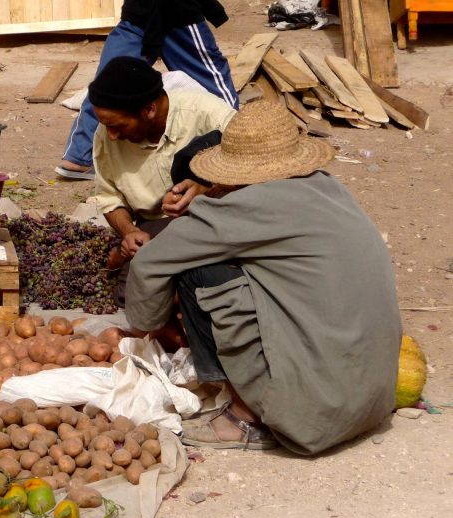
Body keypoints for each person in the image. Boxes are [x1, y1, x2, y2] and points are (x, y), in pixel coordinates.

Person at [126, 100, 401, 454]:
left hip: (314, 417)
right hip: (373, 400)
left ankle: (243, 420)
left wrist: (145, 329)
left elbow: (150, 263)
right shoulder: (330, 189)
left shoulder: (245, 208)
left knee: (197, 271)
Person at [85, 56, 236, 306]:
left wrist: (207, 189)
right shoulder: (106, 135)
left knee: (206, 286)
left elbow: (257, 166)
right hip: (156, 229)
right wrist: (130, 231)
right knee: (132, 298)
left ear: (149, 110)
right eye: (105, 125)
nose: (111, 135)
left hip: (217, 218)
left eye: (117, 126)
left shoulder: (205, 112)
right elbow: (109, 198)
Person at [56, 0, 238, 181]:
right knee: (108, 87)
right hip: (173, 14)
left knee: (108, 84)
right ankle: (239, 144)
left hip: (145, 14)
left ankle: (79, 154)